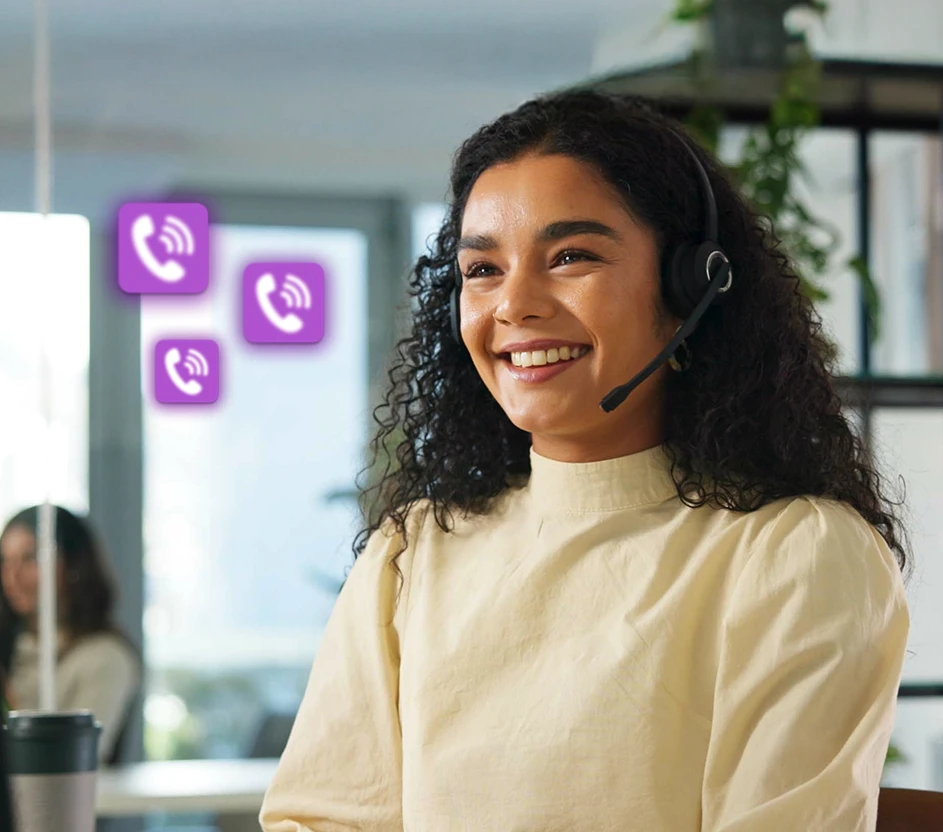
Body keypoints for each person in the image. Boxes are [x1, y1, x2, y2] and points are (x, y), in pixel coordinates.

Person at [259, 90, 910, 831]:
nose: (514, 305)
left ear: (687, 288)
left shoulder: (792, 554)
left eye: (570, 256)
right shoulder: (412, 554)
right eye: (481, 270)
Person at [0, 505, 140, 764]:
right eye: (5, 561)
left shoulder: (105, 657)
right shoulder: (13, 646)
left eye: (30, 558)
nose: (12, 577)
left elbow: (76, 759)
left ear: (74, 564)